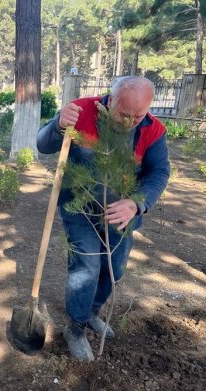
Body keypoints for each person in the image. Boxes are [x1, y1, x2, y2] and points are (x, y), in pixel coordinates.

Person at [37, 76, 170, 361]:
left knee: (115, 270)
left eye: (139, 115)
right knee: (86, 264)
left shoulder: (153, 130)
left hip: (122, 213)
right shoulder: (82, 111)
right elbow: (43, 144)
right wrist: (57, 124)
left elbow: (159, 172)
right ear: (110, 100)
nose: (131, 121)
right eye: (124, 114)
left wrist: (136, 204)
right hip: (80, 207)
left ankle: (93, 310)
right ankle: (76, 327)